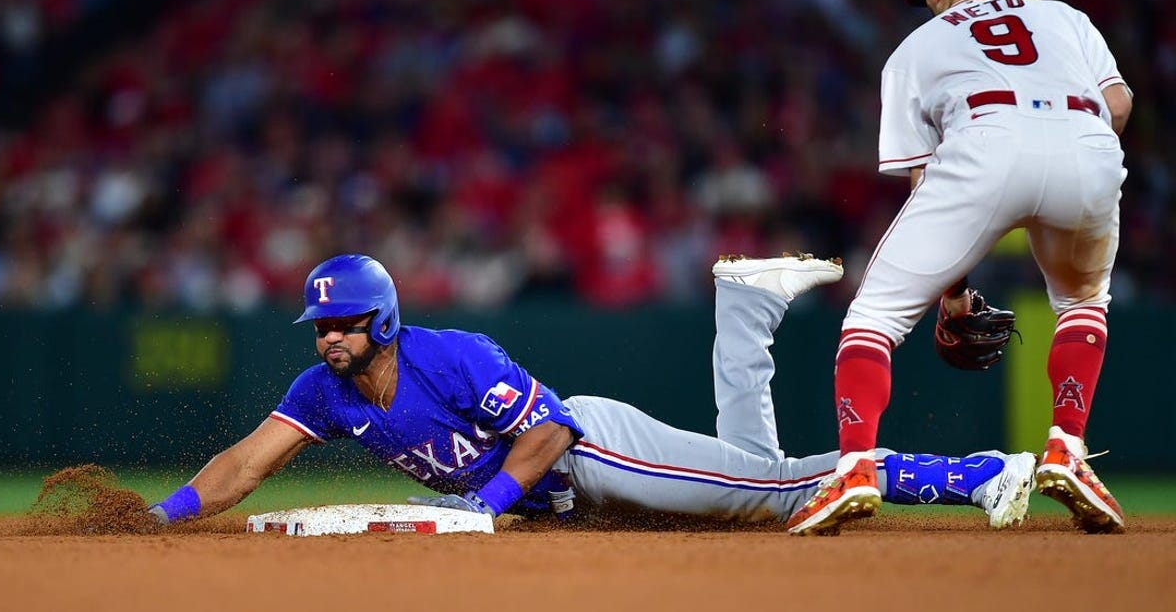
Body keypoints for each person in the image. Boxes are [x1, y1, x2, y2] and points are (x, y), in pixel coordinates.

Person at [147, 251, 1037, 530]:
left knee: (788, 491)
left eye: (341, 325)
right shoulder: (324, 389)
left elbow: (549, 435)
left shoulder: (451, 356)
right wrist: (167, 515)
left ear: (381, 321)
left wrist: (486, 506)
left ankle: (982, 471)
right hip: (565, 502)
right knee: (758, 475)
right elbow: (245, 462)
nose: (327, 337)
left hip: (598, 450)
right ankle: (749, 302)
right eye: (319, 327)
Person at [786, 0, 1131, 536]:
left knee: (873, 316)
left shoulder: (914, 47)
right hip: (1087, 139)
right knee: (1082, 302)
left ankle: (855, 465)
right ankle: (1068, 448)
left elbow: (925, 179)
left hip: (986, 139)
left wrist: (952, 293)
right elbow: (1119, 104)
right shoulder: (1065, 17)